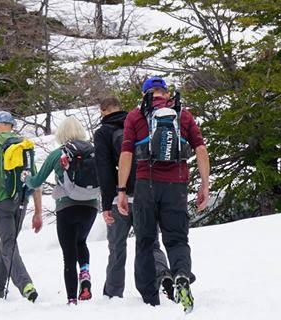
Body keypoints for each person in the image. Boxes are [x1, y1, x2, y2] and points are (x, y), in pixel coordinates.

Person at [117, 76, 210, 312]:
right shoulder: (183, 115)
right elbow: (200, 148)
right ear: (166, 93)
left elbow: (126, 154)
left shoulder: (136, 116)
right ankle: (181, 274)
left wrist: (121, 190)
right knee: (177, 238)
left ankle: (150, 298)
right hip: (176, 185)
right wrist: (205, 185)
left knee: (146, 240)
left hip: (145, 184)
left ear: (144, 95)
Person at [94, 94, 170, 299]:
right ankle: (163, 275)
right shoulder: (137, 124)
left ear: (103, 111)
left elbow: (104, 169)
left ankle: (113, 293)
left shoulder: (103, 133)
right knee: (151, 243)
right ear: (120, 107)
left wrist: (106, 204)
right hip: (145, 193)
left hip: (118, 198)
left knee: (117, 247)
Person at [23, 116, 99, 305]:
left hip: (67, 207)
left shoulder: (58, 154)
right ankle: (85, 274)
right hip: (90, 206)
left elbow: (37, 182)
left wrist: (26, 178)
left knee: (69, 255)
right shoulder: (93, 151)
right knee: (81, 242)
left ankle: (72, 299)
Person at [0, 110, 42, 301]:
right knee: (8, 241)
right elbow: (35, 179)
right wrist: (38, 211)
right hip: (22, 200)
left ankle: (26, 285)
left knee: (8, 243)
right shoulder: (24, 145)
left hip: (1, 201)